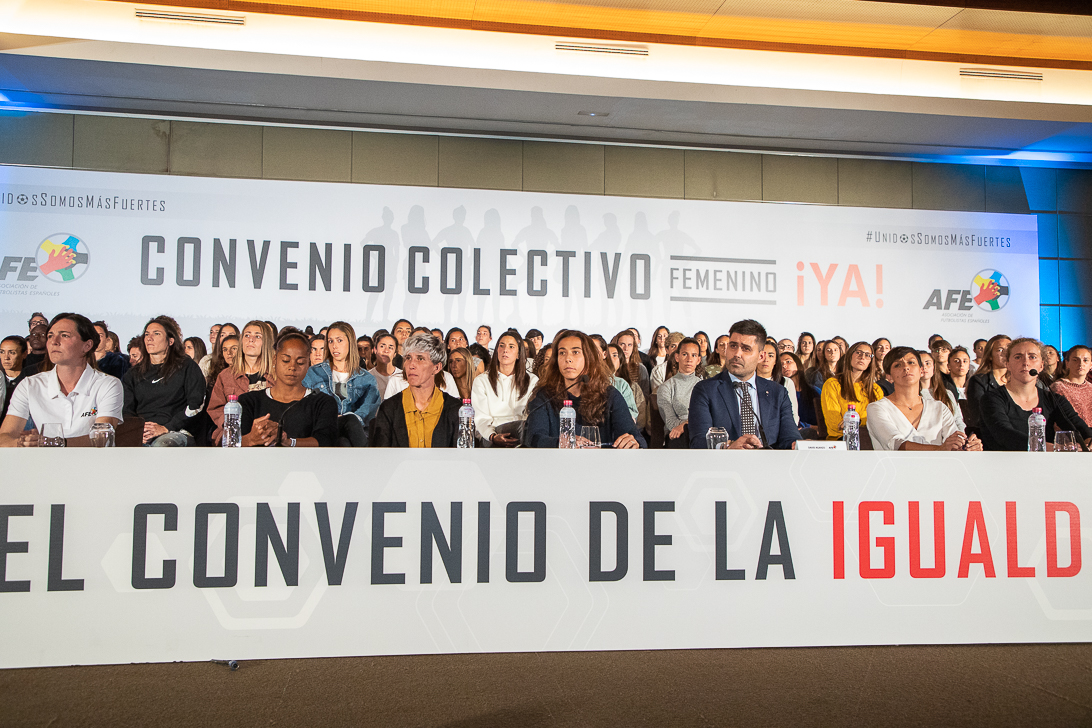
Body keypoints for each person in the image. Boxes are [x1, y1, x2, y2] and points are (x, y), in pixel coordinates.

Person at [1, 313, 123, 447]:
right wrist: (22, 443)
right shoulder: (30, 384)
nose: (54, 341)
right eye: (50, 336)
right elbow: (4, 436)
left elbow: (102, 438)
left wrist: (51, 443)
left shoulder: (108, 384)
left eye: (64, 335)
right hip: (44, 463)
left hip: (91, 463)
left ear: (87, 345)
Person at [688, 319, 801, 450]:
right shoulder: (706, 390)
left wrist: (797, 445)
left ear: (761, 356)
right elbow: (698, 442)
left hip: (768, 466)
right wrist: (729, 447)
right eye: (733, 346)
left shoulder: (778, 392)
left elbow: (790, 437)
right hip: (724, 466)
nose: (737, 354)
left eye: (746, 349)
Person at [524, 330, 645, 449]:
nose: (568, 359)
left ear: (589, 358)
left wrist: (633, 442)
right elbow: (534, 438)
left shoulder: (609, 394)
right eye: (562, 353)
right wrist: (561, 443)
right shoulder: (545, 395)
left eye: (575, 352)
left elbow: (635, 437)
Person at [980, 338, 1092, 451]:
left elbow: (1078, 427)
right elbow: (1005, 435)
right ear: (1008, 364)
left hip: (1045, 465)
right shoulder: (991, 398)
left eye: (1032, 357)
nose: (1025, 362)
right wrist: (1054, 448)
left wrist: (1089, 439)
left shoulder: (1053, 398)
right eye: (1018, 357)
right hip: (1005, 465)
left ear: (1041, 365)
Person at [865, 347, 982, 452]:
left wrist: (968, 446)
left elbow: (954, 443)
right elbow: (896, 443)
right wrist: (940, 449)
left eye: (911, 363)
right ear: (889, 376)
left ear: (921, 371)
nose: (906, 367)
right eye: (897, 365)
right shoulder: (877, 408)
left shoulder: (939, 407)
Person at [240, 333, 338, 447]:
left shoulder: (323, 402)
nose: (292, 367)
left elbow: (325, 441)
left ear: (308, 364)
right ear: (275, 359)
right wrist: (251, 439)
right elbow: (230, 443)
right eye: (286, 360)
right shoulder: (248, 401)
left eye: (300, 362)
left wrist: (289, 442)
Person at [122, 316, 206, 446]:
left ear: (170, 341)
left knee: (162, 446)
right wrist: (137, 432)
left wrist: (166, 428)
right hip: (142, 434)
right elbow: (126, 411)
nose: (150, 338)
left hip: (176, 432)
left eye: (156, 334)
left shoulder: (186, 366)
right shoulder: (133, 374)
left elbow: (196, 404)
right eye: (147, 334)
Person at [372, 332, 462, 447]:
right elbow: (381, 457)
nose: (411, 365)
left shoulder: (455, 409)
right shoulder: (389, 408)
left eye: (420, 358)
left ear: (437, 367)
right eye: (408, 358)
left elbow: (460, 459)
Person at [298, 321, 380, 447]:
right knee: (347, 426)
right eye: (330, 341)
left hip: (353, 432)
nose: (334, 346)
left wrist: (347, 418)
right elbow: (305, 405)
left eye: (339, 340)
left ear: (350, 342)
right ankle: (368, 462)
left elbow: (367, 410)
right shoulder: (313, 373)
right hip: (323, 428)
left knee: (345, 437)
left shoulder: (366, 379)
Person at [207, 321, 275, 444]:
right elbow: (215, 409)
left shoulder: (276, 375)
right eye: (247, 335)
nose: (251, 340)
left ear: (267, 342)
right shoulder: (225, 376)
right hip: (233, 435)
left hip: (267, 435)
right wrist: (232, 424)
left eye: (257, 336)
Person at [471, 332, 538, 447]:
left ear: (518, 354)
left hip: (522, 434)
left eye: (511, 346)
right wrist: (493, 436)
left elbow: (532, 415)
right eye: (501, 346)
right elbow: (481, 418)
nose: (505, 350)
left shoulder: (532, 380)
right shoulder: (481, 381)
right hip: (492, 435)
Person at [820, 341, 884, 440]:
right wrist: (865, 423)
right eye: (858, 352)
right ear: (850, 355)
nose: (862, 357)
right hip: (841, 440)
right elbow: (835, 425)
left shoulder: (876, 389)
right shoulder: (832, 384)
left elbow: (880, 422)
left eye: (868, 355)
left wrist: (854, 421)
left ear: (870, 361)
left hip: (870, 440)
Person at [657, 337, 703, 448]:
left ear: (699, 360)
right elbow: (671, 423)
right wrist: (685, 426)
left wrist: (685, 424)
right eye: (684, 354)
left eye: (694, 355)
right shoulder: (666, 387)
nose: (689, 359)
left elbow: (707, 418)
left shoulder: (704, 386)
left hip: (701, 432)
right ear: (677, 357)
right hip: (677, 437)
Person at [965, 334, 1010, 431]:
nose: (1006, 353)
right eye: (1000, 350)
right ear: (990, 355)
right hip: (990, 433)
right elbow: (978, 416)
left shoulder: (1018, 380)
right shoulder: (978, 381)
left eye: (1009, 349)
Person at [919, 349, 965, 432]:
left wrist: (961, 438)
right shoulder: (910, 395)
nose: (924, 367)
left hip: (953, 439)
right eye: (920, 364)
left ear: (934, 367)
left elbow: (958, 420)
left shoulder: (947, 393)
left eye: (928, 363)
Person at [1052, 346, 1092, 427]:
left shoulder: (1090, 387)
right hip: (1068, 435)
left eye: (1085, 360)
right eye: (1075, 360)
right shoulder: (1058, 387)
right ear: (1067, 363)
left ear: (1090, 365)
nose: (1081, 364)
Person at [605, 343, 642, 426]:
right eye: (607, 356)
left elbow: (632, 412)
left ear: (621, 361)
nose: (610, 359)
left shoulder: (622, 384)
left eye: (614, 355)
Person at [612, 329, 650, 400]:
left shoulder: (640, 369)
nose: (626, 348)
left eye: (629, 345)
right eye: (622, 344)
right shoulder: (610, 368)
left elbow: (645, 396)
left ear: (633, 348)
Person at [1, 335, 28, 416]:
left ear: (24, 354)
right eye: (2, 352)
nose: (6, 357)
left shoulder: (30, 381)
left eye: (12, 352)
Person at [368, 334, 401, 398]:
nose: (386, 350)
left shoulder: (402, 376)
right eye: (382, 346)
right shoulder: (368, 377)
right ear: (375, 350)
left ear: (395, 353)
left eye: (390, 347)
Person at [780, 351, 807, 426]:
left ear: (797, 363)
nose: (784, 366)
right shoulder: (780, 391)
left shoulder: (813, 391)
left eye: (788, 362)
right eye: (780, 364)